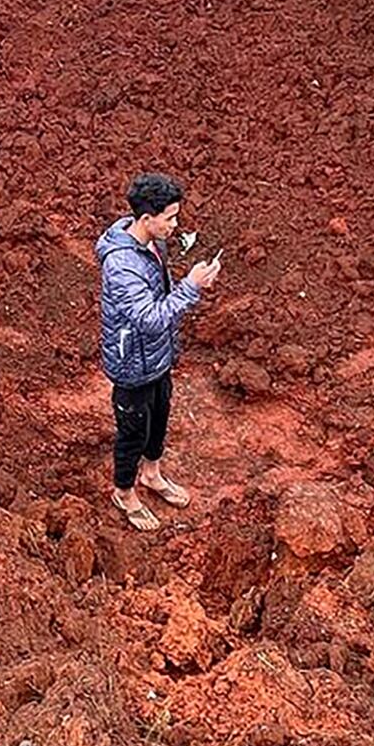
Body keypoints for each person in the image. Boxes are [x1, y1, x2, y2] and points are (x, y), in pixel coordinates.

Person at [94, 172, 221, 531]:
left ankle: (151, 475)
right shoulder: (121, 265)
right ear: (147, 219)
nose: (175, 224)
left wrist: (190, 287)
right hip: (133, 365)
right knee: (132, 432)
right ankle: (124, 491)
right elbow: (149, 318)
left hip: (157, 357)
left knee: (159, 419)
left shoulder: (152, 244)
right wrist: (191, 287)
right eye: (170, 217)